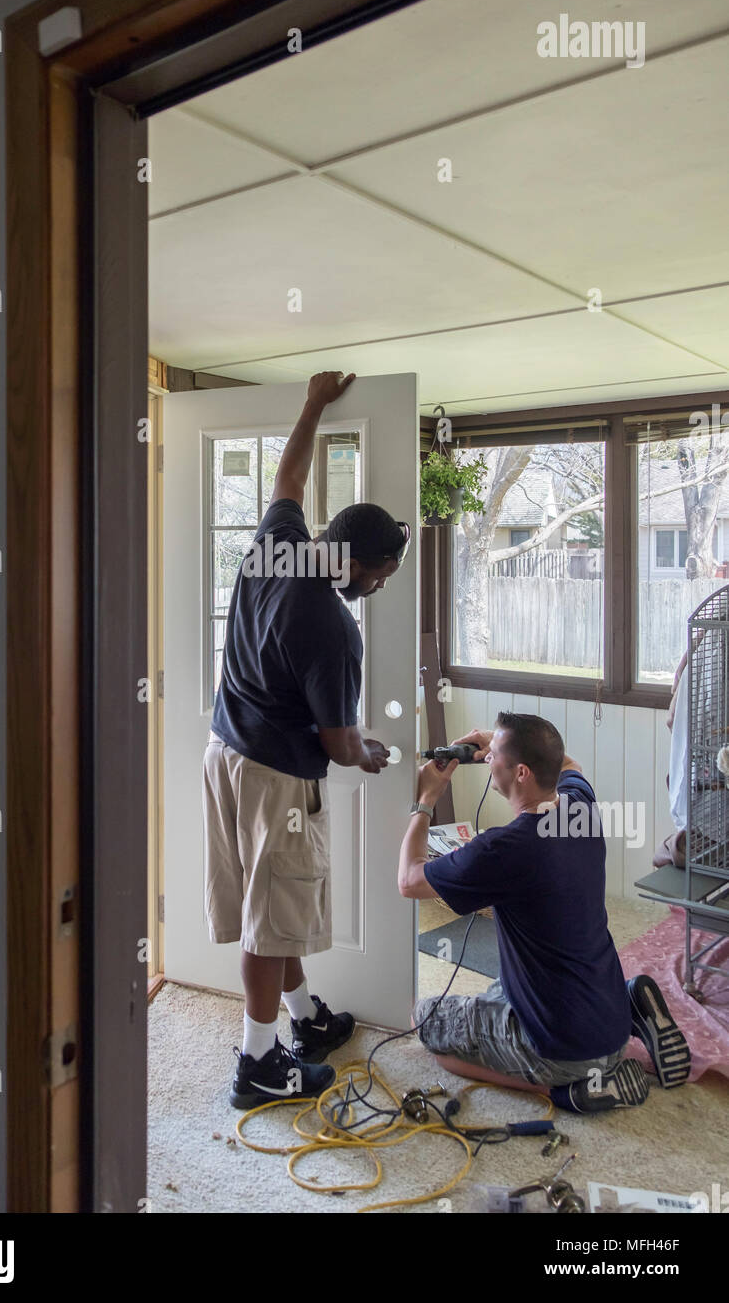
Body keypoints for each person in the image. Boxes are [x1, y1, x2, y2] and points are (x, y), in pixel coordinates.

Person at [203, 370, 411, 1109]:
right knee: (274, 918)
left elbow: (289, 473)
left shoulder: (281, 540)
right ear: (355, 565)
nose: (379, 588)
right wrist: (372, 752)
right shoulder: (333, 627)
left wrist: (315, 403)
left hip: (224, 753)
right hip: (275, 778)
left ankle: (302, 1019)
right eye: (381, 577)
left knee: (273, 907)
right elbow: (335, 743)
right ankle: (258, 1065)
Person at [398, 713, 691, 1111]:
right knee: (498, 987)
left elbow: (409, 881)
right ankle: (629, 1004)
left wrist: (425, 800)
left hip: (565, 1053)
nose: (486, 760)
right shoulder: (579, 809)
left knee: (426, 1025)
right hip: (609, 1026)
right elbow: (570, 765)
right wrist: (496, 738)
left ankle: (567, 1091)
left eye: (493, 755)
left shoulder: (502, 850)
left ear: (520, 772)